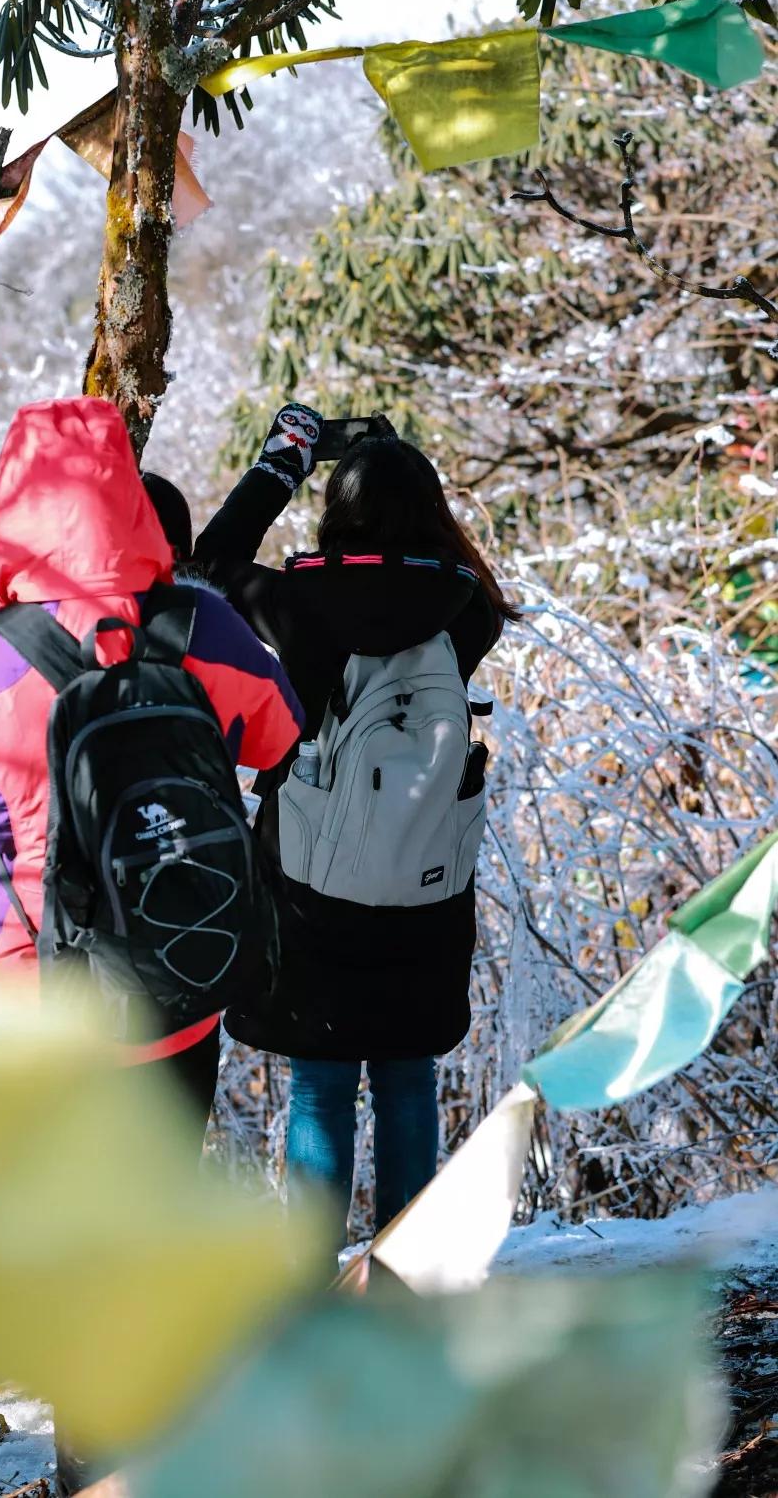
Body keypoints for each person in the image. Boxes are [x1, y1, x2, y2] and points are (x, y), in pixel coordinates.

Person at [0, 396, 303, 1132]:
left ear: (11, 501)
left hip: (21, 992)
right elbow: (279, 737)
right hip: (170, 973)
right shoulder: (202, 625)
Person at [194, 403, 520, 1251]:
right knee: (409, 1078)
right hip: (426, 877)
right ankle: (408, 1271)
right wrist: (395, 467)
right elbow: (438, 577)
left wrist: (285, 460)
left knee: (321, 1087)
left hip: (310, 880)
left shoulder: (297, 602)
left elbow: (211, 563)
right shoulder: (467, 610)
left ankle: (310, 1275)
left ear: (340, 511)